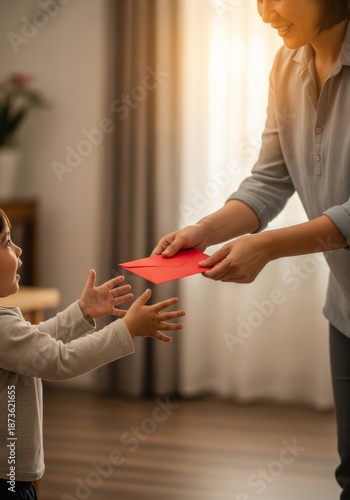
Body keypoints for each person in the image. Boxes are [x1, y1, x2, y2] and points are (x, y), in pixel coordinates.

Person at [153, 0, 350, 498]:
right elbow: (270, 178)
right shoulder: (287, 63)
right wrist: (207, 227)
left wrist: (266, 247)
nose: (264, 11)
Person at [0, 208, 185, 500]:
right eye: (6, 242)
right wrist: (126, 330)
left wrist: (81, 312)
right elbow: (58, 360)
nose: (18, 248)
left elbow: (35, 347)